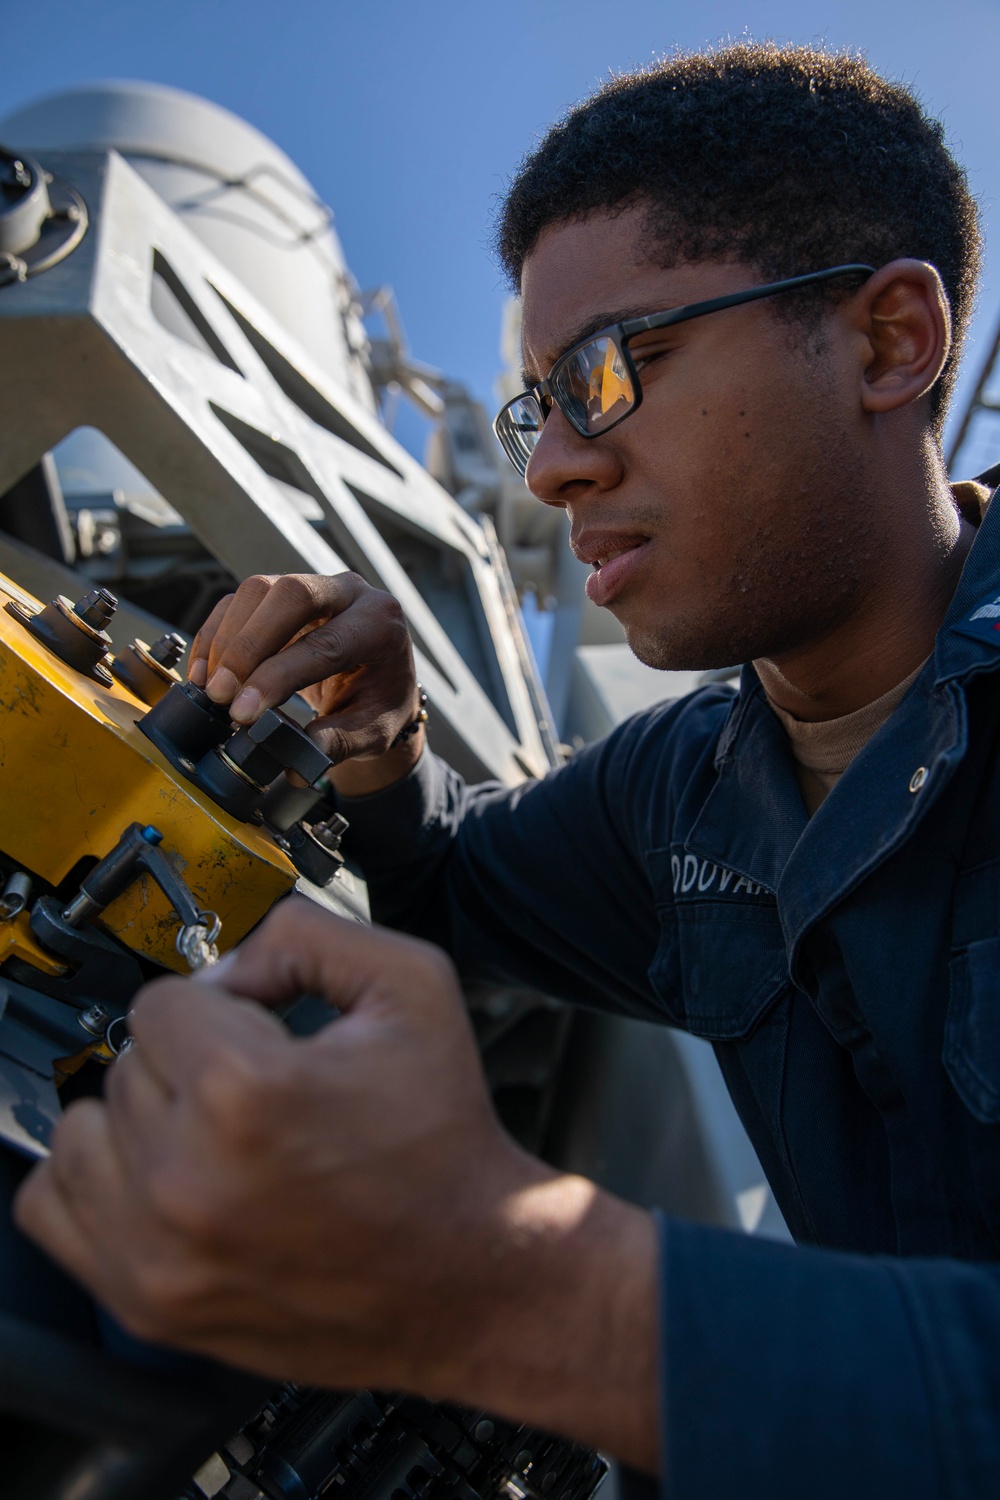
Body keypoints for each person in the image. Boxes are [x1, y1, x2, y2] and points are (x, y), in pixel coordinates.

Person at [14, 40, 1000, 1498]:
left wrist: (523, 1290)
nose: (550, 470)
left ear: (886, 342)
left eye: (616, 370)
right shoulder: (690, 791)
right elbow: (455, 886)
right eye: (541, 407)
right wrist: (379, 731)